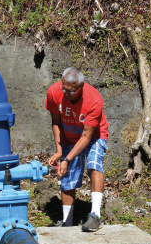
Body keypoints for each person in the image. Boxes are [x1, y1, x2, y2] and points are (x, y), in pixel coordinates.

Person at [45, 67, 110, 232]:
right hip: (68, 135)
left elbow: (87, 136)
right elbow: (56, 122)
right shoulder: (54, 92)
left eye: (71, 91)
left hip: (94, 135)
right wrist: (60, 152)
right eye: (64, 89)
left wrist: (67, 158)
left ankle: (95, 216)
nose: (66, 94)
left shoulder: (94, 99)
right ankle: (68, 222)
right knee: (67, 174)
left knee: (94, 164)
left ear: (80, 87)